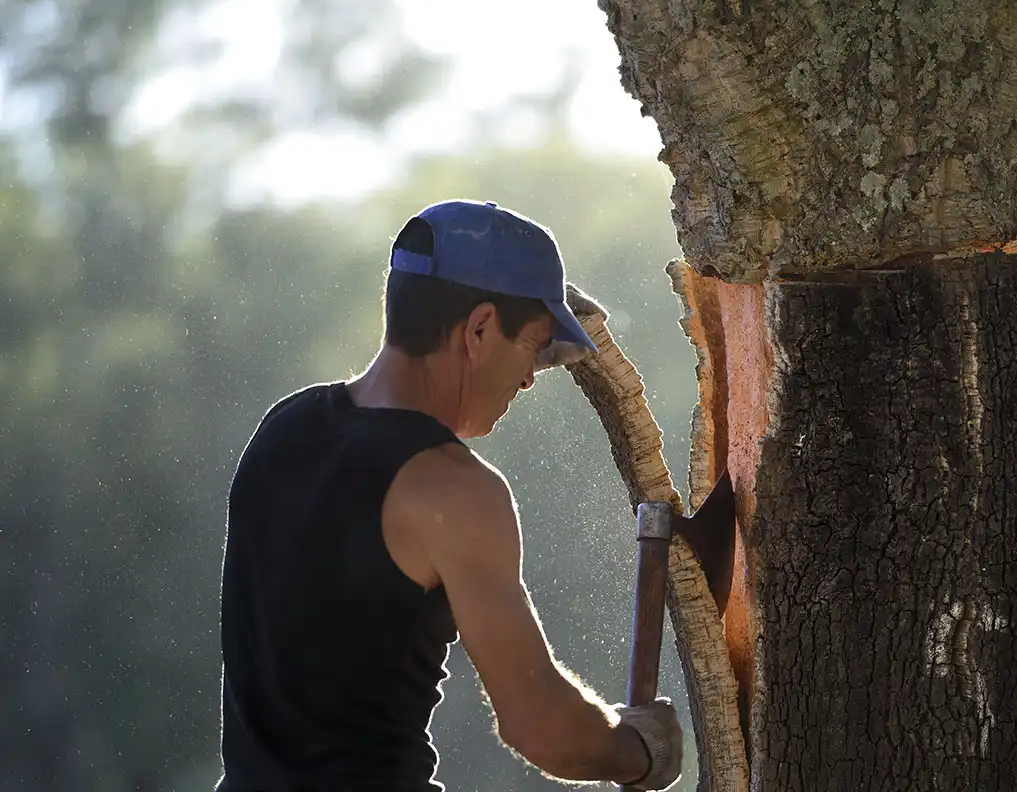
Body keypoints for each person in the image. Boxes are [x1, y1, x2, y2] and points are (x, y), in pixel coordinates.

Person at [215, 199, 684, 791]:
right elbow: (541, 727)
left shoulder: (283, 430)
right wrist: (641, 749)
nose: (528, 377)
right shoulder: (454, 490)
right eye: (532, 347)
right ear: (480, 328)